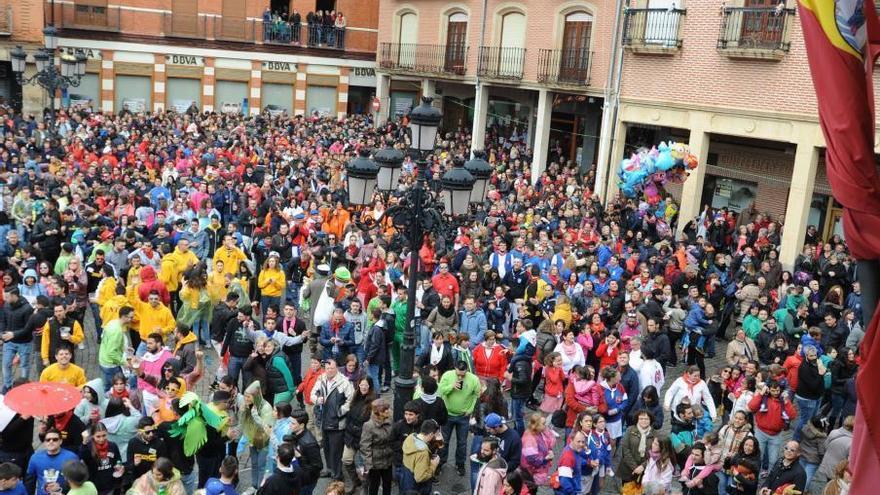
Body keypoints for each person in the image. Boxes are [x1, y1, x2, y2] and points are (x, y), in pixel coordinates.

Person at [310, 357, 354, 481]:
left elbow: (351, 400)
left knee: (336, 450)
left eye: (332, 368)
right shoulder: (321, 378)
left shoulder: (344, 382)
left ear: (337, 368)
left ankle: (337, 475)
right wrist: (317, 400)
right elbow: (312, 394)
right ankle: (330, 469)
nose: (329, 370)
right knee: (326, 447)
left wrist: (340, 411)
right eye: (328, 368)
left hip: (337, 423)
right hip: (323, 420)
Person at [437, 360, 481, 476]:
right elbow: (441, 391)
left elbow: (477, 395)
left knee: (462, 442)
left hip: (463, 417)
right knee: (444, 441)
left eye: (463, 374)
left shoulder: (473, 379)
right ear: (454, 369)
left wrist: (471, 409)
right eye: (458, 374)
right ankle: (441, 462)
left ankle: (460, 464)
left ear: (467, 370)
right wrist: (451, 386)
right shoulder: (447, 375)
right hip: (447, 415)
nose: (461, 376)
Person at [25, 429, 80, 495]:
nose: (51, 441)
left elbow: (78, 480)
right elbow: (29, 483)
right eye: (48, 440)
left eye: (55, 439)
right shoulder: (35, 457)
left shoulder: (71, 457)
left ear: (60, 441)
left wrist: (62, 487)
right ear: (45, 442)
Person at [359, 399, 393, 495]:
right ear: (378, 412)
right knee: (374, 486)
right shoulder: (368, 426)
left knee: (387, 485)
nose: (388, 411)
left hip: (388, 460)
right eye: (385, 410)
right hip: (375, 463)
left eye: (387, 409)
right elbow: (365, 446)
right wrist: (369, 465)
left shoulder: (389, 420)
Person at [285, 410, 322, 495]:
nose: (290, 425)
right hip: (298, 477)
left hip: (306, 482)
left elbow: (318, 466)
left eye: (293, 423)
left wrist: (299, 457)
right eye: (290, 422)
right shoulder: (295, 433)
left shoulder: (310, 443)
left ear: (302, 425)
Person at [400, 419, 441, 495]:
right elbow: (420, 477)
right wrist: (433, 466)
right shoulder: (423, 452)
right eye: (435, 435)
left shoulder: (411, 437)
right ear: (431, 434)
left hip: (406, 477)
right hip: (417, 487)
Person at [618, 410, 656, 486]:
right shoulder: (630, 430)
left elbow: (655, 454)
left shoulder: (655, 434)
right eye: (641, 418)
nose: (644, 421)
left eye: (646, 419)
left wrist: (643, 466)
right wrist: (635, 467)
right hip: (628, 469)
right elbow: (625, 449)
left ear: (650, 420)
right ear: (637, 420)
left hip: (646, 470)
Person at [519, 413, 555, 485]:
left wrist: (550, 450)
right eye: (543, 424)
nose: (545, 426)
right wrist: (546, 458)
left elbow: (550, 441)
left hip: (538, 470)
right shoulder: (529, 439)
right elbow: (533, 460)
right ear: (536, 425)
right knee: (530, 488)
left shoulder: (539, 431)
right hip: (532, 472)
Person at [555, 430, 587, 495]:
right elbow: (564, 481)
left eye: (583, 442)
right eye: (578, 441)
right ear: (571, 440)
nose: (581, 444)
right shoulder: (568, 457)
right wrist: (572, 493)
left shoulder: (575, 450)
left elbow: (578, 461)